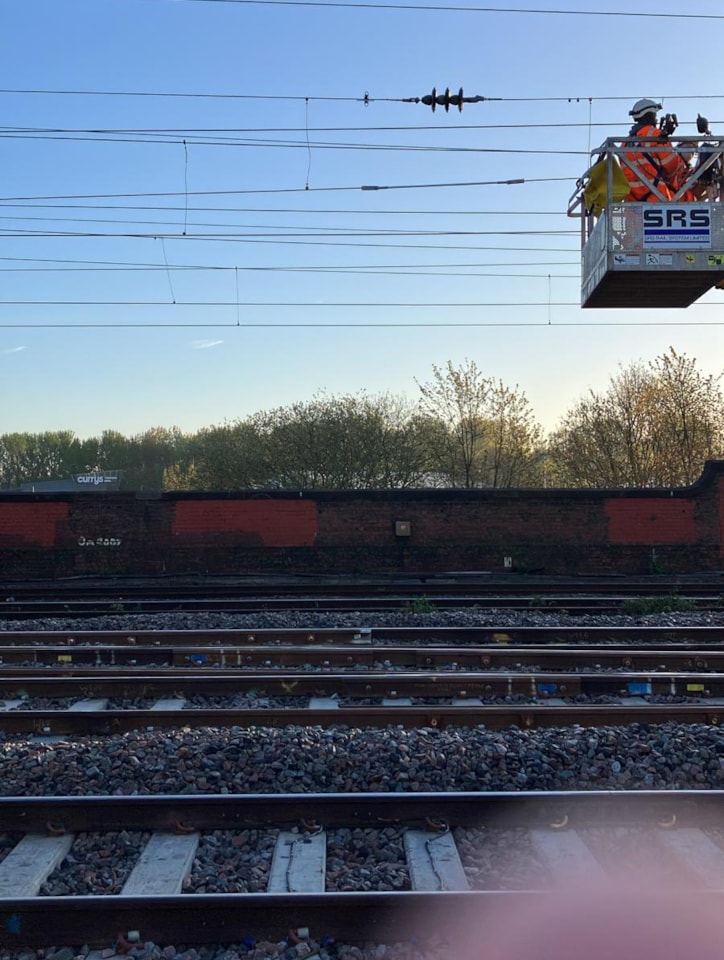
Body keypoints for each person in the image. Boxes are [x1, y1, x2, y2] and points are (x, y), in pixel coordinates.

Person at [622, 99, 693, 202]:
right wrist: (685, 165)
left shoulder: (624, 144)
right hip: (657, 201)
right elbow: (672, 167)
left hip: (634, 206)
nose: (656, 118)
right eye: (655, 115)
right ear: (648, 115)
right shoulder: (654, 135)